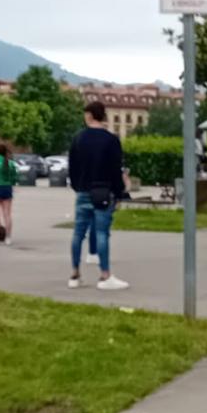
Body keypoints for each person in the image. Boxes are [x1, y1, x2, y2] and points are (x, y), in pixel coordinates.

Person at [68, 101, 129, 291]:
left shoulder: (78, 139)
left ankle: (75, 274)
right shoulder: (111, 140)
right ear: (103, 116)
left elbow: (73, 167)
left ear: (89, 115)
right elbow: (115, 170)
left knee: (78, 233)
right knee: (102, 233)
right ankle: (104, 275)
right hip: (104, 191)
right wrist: (119, 193)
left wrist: (79, 187)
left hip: (83, 191)